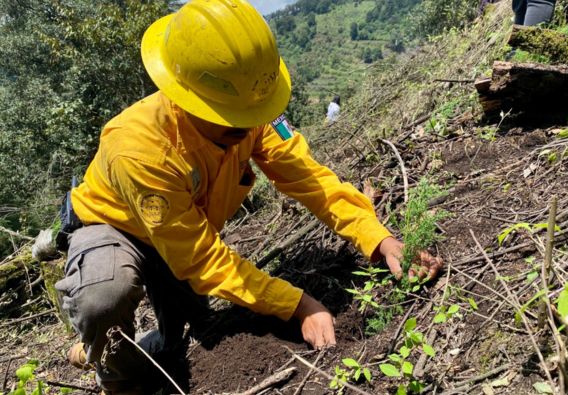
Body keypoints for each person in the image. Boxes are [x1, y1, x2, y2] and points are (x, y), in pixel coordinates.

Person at [55, 0, 444, 393]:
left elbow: (308, 177)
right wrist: (299, 304)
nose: (249, 126)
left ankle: (109, 349)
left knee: (185, 342)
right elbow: (203, 259)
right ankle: (117, 378)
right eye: (234, 120)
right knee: (104, 299)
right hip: (117, 228)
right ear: (189, 98)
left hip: (181, 231)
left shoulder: (250, 109)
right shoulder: (140, 149)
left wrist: (379, 238)